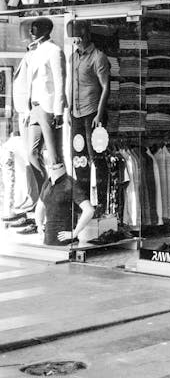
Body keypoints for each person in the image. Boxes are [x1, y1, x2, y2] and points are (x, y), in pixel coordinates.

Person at [67, 20, 111, 202]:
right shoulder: (73, 57)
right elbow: (72, 85)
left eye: (77, 37)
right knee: (79, 159)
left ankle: (102, 202)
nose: (74, 41)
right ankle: (84, 203)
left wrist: (99, 114)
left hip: (93, 114)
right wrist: (68, 109)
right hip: (76, 115)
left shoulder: (98, 57)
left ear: (85, 35)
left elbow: (106, 87)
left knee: (97, 158)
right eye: (72, 38)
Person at [22, 17, 65, 193]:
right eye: (31, 29)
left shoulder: (54, 51)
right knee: (32, 153)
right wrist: (28, 110)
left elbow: (60, 82)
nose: (31, 33)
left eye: (35, 29)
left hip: (48, 108)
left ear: (46, 30)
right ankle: (45, 195)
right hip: (34, 108)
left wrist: (58, 112)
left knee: (55, 157)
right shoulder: (35, 51)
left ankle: (60, 198)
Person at [34, 162, 94, 246]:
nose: (53, 166)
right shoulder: (47, 183)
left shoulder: (70, 183)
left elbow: (89, 210)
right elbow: (40, 207)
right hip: (48, 241)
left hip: (66, 243)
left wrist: (74, 233)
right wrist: (39, 225)